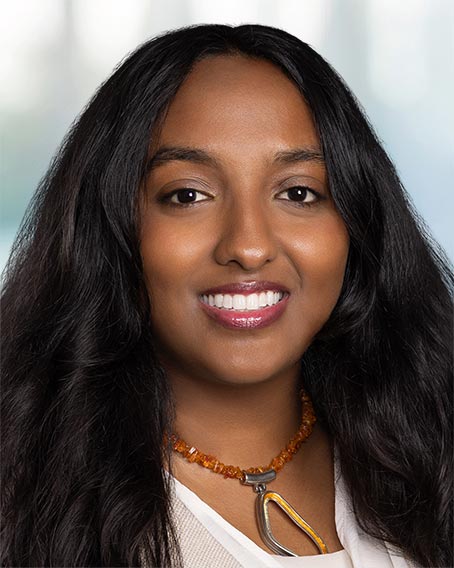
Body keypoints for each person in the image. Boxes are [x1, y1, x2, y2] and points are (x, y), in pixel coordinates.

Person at [1, 24, 452, 568]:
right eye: (188, 195)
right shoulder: (23, 499)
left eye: (298, 192)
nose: (249, 246)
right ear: (110, 227)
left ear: (359, 222)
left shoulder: (433, 442)